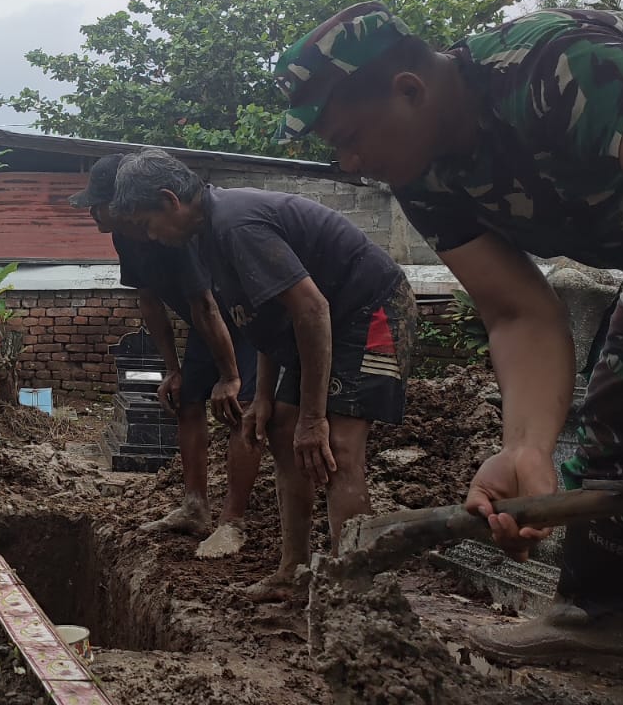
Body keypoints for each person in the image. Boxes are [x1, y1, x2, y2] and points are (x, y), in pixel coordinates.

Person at [277, 1, 623, 673]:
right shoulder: (423, 176)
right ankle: (596, 620)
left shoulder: (554, 68)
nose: (348, 162)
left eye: (349, 137)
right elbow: (518, 312)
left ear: (409, 90)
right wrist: (525, 447)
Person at [111, 147, 415, 601]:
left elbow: (312, 308)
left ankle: (353, 597)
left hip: (370, 311)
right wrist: (265, 398)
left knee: (336, 448)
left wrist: (315, 418)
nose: (150, 237)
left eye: (146, 223)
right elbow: (266, 315)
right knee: (278, 429)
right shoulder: (205, 235)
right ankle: (292, 573)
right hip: (316, 324)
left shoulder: (236, 224)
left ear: (169, 200)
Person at [69, 154, 261, 555]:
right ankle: (195, 507)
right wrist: (171, 369)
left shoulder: (175, 236)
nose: (92, 213)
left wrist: (229, 376)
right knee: (187, 402)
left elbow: (207, 305)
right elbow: (149, 302)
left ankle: (233, 522)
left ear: (119, 202)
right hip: (203, 327)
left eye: (97, 205)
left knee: (239, 410)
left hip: (241, 324)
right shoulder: (125, 237)